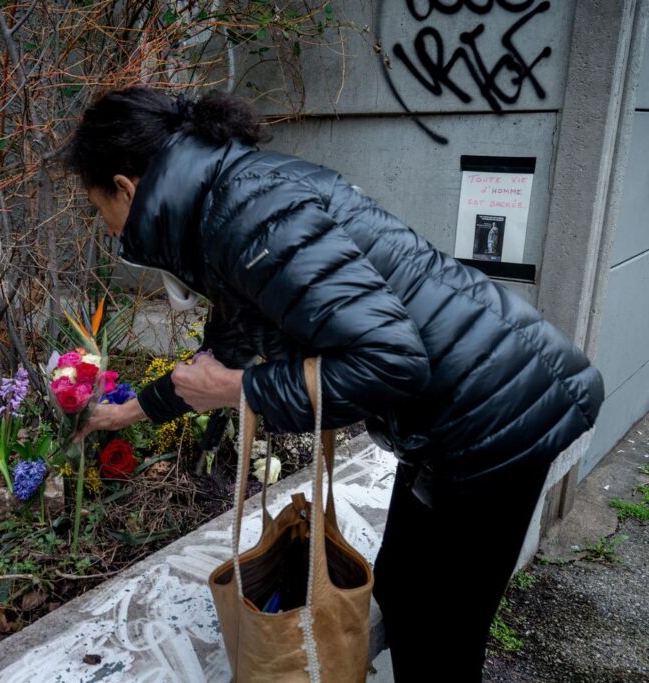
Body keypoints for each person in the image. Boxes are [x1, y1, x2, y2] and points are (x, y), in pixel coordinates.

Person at [62, 86, 604, 682]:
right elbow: (228, 349)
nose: (107, 228)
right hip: (451, 411)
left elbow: (390, 362)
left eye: (98, 208)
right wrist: (125, 413)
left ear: (126, 188)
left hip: (502, 413)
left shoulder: (246, 213)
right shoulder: (225, 206)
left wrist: (241, 390)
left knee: (443, 630)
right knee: (400, 586)